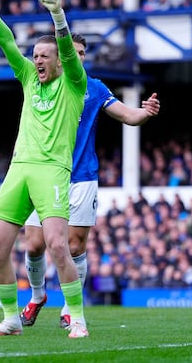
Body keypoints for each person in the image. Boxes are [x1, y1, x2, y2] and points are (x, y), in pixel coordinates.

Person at [0, 0, 89, 338]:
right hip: (19, 168)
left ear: (57, 61)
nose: (36, 59)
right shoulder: (27, 78)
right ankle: (10, 319)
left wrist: (57, 14)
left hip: (52, 169)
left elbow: (68, 51)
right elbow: (5, 41)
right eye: (34, 54)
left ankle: (77, 319)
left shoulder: (73, 83)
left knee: (56, 245)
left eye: (43, 55)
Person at [20, 34, 160, 329]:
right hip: (44, 173)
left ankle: (71, 307)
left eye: (82, 52)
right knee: (33, 245)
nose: (79, 57)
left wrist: (144, 113)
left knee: (74, 246)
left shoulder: (93, 89)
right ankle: (37, 296)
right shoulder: (42, 84)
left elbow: (128, 116)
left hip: (81, 177)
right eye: (74, 52)